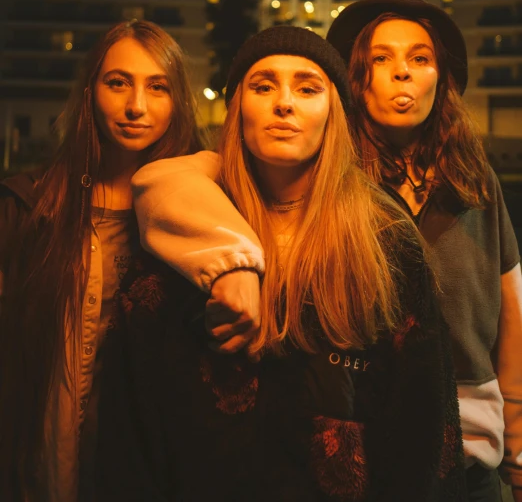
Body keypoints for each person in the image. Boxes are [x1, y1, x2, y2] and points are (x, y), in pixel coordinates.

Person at [97, 26, 466, 502]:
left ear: (333, 112)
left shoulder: (385, 238)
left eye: (308, 88)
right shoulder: (183, 232)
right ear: (237, 110)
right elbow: (133, 420)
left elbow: (421, 428)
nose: (284, 103)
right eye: (263, 85)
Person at [0, 20, 264, 502]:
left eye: (157, 87)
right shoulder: (29, 205)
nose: (136, 106)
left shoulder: (208, 206)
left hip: (152, 468)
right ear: (90, 92)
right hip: (40, 464)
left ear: (177, 100)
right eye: (118, 82)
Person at [326, 0, 522, 502]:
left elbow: (512, 316)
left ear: (441, 78)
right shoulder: (329, 183)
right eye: (381, 58)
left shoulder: (474, 183)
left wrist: (519, 447)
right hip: (362, 460)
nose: (403, 72)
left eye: (419, 58)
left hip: (473, 461)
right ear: (356, 77)